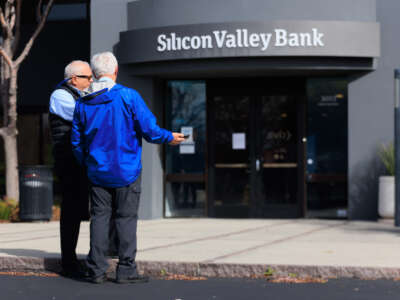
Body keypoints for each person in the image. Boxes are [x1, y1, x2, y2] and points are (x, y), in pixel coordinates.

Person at [71, 52, 185, 284]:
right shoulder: (128, 97)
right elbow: (150, 130)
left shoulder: (82, 102)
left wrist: (88, 163)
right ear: (115, 71)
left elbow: (76, 142)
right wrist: (169, 137)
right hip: (127, 171)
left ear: (93, 74)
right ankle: (126, 269)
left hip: (97, 172)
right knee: (126, 218)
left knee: (99, 219)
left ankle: (96, 270)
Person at [49, 60, 93, 277]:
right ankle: (69, 262)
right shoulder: (60, 95)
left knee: (88, 209)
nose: (92, 81)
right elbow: (83, 115)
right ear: (74, 79)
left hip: (82, 160)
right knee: (72, 212)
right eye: (88, 77)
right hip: (68, 162)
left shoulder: (83, 95)